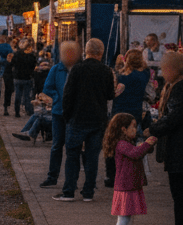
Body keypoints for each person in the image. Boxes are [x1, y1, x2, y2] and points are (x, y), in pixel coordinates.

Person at [55, 38, 115, 202]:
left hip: (77, 118)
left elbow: (68, 95)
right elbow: (110, 95)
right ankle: (88, 192)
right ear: (101, 53)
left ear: (86, 51)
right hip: (97, 119)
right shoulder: (106, 71)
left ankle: (69, 191)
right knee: (92, 157)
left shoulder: (77, 69)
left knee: (72, 155)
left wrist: (67, 116)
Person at [103, 113, 156, 225]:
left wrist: (146, 145)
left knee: (128, 219)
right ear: (123, 129)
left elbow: (138, 152)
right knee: (124, 220)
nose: (136, 129)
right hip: (126, 186)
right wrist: (147, 143)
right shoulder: (122, 144)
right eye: (133, 127)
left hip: (129, 185)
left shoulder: (125, 143)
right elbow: (135, 154)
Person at [147, 50, 183, 225]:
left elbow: (174, 118)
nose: (162, 71)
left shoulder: (179, 89)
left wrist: (153, 129)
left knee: (179, 199)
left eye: (164, 67)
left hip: (179, 153)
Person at [104, 49, 151, 187]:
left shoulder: (120, 76)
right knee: (130, 146)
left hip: (118, 113)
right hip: (134, 114)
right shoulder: (145, 75)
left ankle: (112, 176)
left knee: (113, 144)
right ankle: (129, 175)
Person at [40, 41, 80, 188]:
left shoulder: (78, 69)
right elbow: (48, 88)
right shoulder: (57, 69)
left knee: (72, 147)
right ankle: (52, 176)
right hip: (59, 112)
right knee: (57, 145)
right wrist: (58, 98)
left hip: (74, 114)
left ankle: (71, 180)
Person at [10, 39, 37, 118]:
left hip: (18, 77)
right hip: (27, 78)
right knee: (27, 96)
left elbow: (12, 64)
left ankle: (17, 111)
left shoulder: (17, 54)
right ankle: (28, 110)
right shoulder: (31, 55)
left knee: (18, 95)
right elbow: (33, 66)